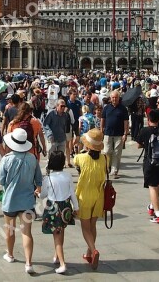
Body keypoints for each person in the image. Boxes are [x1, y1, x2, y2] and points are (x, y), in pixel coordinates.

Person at [0, 128, 43, 275]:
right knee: (27, 232)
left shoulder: (6, 159)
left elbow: (1, 180)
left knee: (10, 230)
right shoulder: (32, 158)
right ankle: (29, 263)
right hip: (28, 201)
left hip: (10, 200)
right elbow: (38, 180)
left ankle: (10, 254)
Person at [39, 150, 78, 275]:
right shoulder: (67, 176)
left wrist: (38, 193)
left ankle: (62, 263)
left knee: (56, 236)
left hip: (53, 208)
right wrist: (76, 207)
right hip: (65, 207)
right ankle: (56, 256)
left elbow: (43, 195)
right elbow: (72, 193)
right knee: (61, 232)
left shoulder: (48, 178)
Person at [74, 128, 107, 271]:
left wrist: (82, 150)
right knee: (93, 226)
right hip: (99, 195)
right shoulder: (105, 158)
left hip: (84, 196)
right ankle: (88, 253)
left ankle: (93, 250)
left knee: (85, 227)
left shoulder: (80, 158)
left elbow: (76, 162)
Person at [136, 109, 159, 224]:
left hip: (149, 162)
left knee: (152, 186)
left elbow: (138, 145)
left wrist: (147, 145)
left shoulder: (144, 131)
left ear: (148, 119)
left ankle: (158, 214)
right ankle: (152, 206)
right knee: (157, 185)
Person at [101, 90, 129, 178]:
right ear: (110, 98)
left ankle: (114, 171)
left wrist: (125, 133)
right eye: (113, 97)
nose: (114, 99)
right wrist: (101, 129)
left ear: (118, 98)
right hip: (107, 133)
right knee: (107, 151)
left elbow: (126, 121)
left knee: (117, 153)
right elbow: (103, 119)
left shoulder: (123, 108)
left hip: (119, 134)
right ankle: (106, 168)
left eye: (116, 97)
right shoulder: (106, 108)